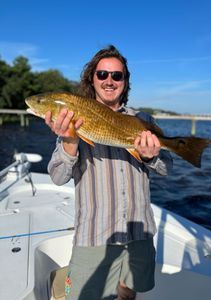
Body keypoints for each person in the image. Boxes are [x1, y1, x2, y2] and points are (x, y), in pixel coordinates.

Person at [45, 45, 172, 300]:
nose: (109, 81)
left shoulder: (142, 118)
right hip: (95, 235)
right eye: (102, 74)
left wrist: (151, 155)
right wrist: (70, 142)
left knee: (128, 293)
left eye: (117, 75)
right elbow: (58, 177)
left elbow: (166, 167)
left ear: (125, 81)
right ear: (92, 78)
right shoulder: (76, 116)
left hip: (139, 233)